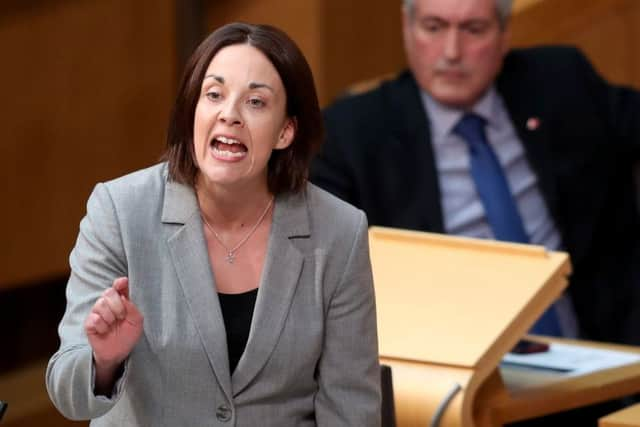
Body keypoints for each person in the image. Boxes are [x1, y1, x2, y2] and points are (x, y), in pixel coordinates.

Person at [46, 22, 381, 426]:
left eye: (255, 102)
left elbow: (351, 409)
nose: (229, 114)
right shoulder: (119, 211)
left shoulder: (339, 232)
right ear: (193, 110)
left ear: (286, 131)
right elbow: (69, 396)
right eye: (214, 95)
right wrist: (104, 361)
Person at [311, 0, 640, 345]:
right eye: (434, 27)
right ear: (407, 31)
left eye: (473, 30)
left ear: (503, 35)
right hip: (449, 364)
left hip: (600, 357)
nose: (452, 52)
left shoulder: (561, 81)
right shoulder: (352, 133)